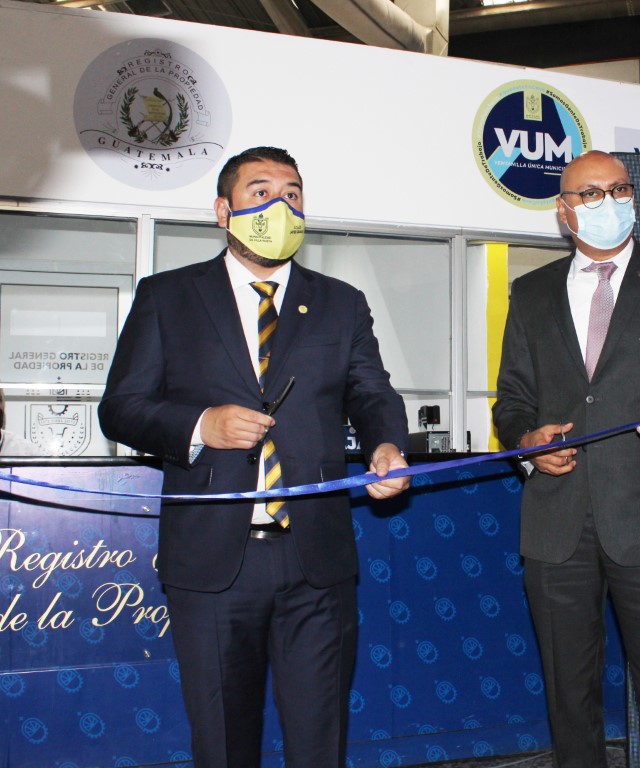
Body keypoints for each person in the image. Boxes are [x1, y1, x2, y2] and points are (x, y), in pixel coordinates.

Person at [98, 146, 409, 768]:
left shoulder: (340, 301)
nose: (280, 205)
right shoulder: (167, 297)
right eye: (261, 191)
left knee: (320, 740)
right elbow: (121, 408)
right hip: (212, 559)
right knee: (222, 742)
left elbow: (371, 391)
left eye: (292, 193)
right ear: (224, 210)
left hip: (316, 558)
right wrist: (200, 424)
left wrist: (385, 444)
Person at [492, 150, 640, 768]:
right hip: (557, 523)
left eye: (619, 189)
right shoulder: (531, 292)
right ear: (564, 211)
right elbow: (511, 400)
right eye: (592, 194)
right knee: (569, 696)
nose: (609, 202)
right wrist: (527, 443)